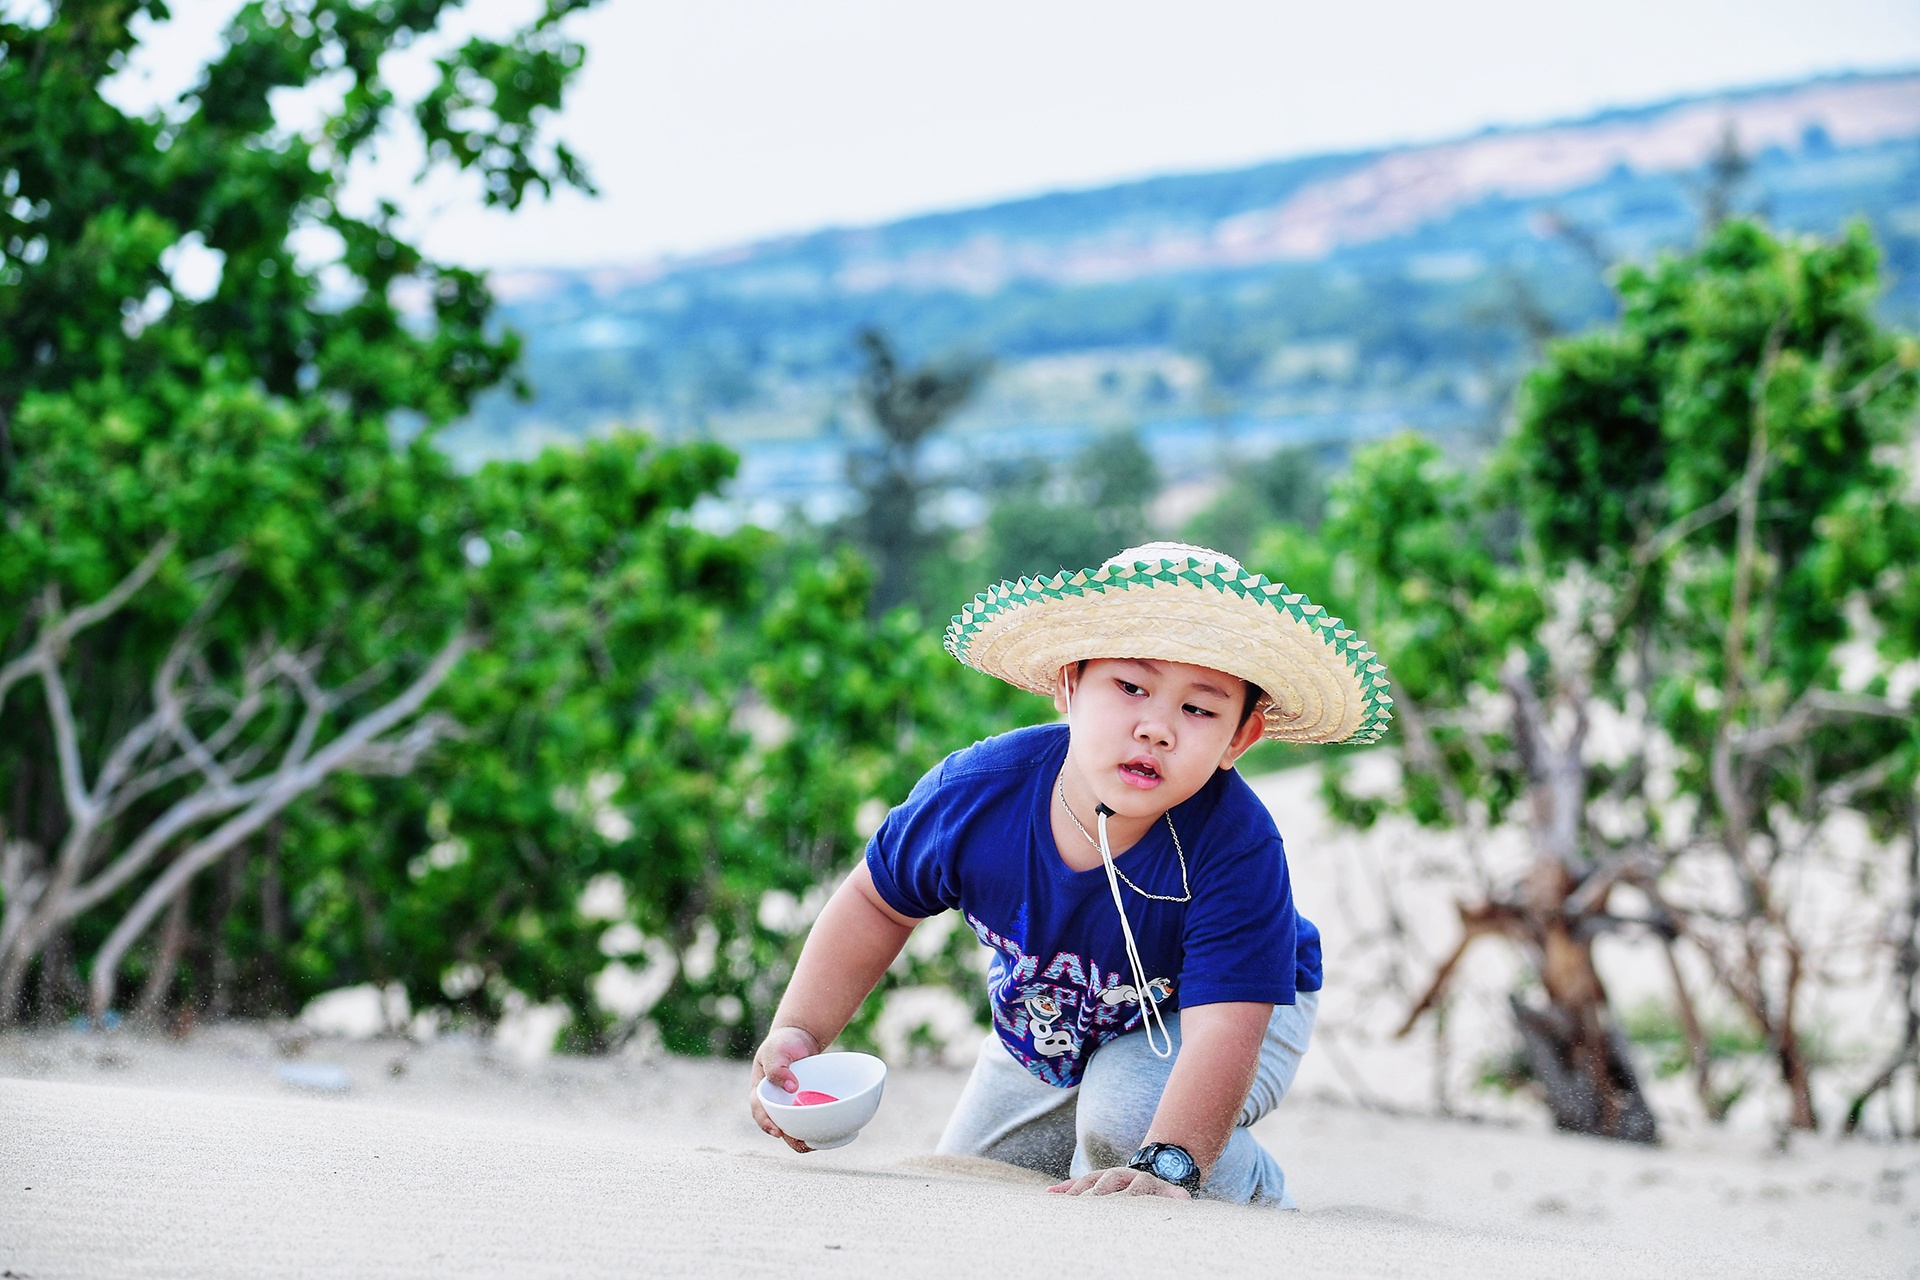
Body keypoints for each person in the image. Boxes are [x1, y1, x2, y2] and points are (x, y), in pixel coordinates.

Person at [747, 542, 1392, 1205]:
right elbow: (876, 904)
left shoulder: (1237, 844)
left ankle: (1250, 1192)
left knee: (1124, 1124)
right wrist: (800, 1031)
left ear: (1240, 737)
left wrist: (1170, 1162)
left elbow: (1225, 1027)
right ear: (1069, 683)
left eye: (1199, 708)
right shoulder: (977, 796)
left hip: (1234, 1009)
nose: (1157, 728)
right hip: (1056, 1024)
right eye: (1131, 687)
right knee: (975, 1178)